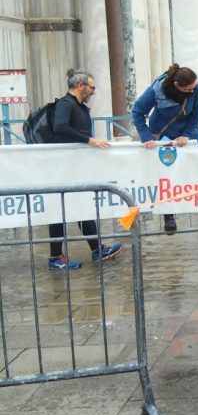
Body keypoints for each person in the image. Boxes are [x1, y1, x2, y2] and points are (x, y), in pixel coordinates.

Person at [47, 69, 123, 270]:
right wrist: (89, 140)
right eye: (92, 87)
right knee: (59, 211)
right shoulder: (65, 104)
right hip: (64, 166)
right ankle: (55, 257)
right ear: (80, 86)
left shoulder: (78, 106)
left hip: (75, 165)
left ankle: (97, 248)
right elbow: (60, 127)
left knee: (81, 207)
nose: (93, 92)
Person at [131, 64, 198, 233]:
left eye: (194, 87)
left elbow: (197, 114)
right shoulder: (156, 90)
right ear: (178, 85)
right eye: (189, 89)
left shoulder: (197, 89)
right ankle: (168, 214)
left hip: (189, 134)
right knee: (165, 176)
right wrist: (146, 136)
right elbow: (137, 111)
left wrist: (186, 134)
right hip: (163, 134)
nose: (193, 91)